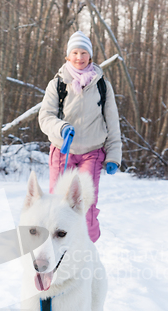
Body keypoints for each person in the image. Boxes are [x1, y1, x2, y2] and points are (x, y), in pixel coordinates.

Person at [38, 31, 122, 243]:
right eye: (75, 52)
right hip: (62, 150)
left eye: (84, 52)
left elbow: (112, 122)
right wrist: (61, 127)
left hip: (92, 153)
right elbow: (45, 117)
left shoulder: (102, 85)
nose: (79, 57)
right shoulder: (57, 84)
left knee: (85, 203)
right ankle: (50, 245)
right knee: (57, 202)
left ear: (90, 56)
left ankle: (88, 245)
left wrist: (113, 155)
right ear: (68, 56)